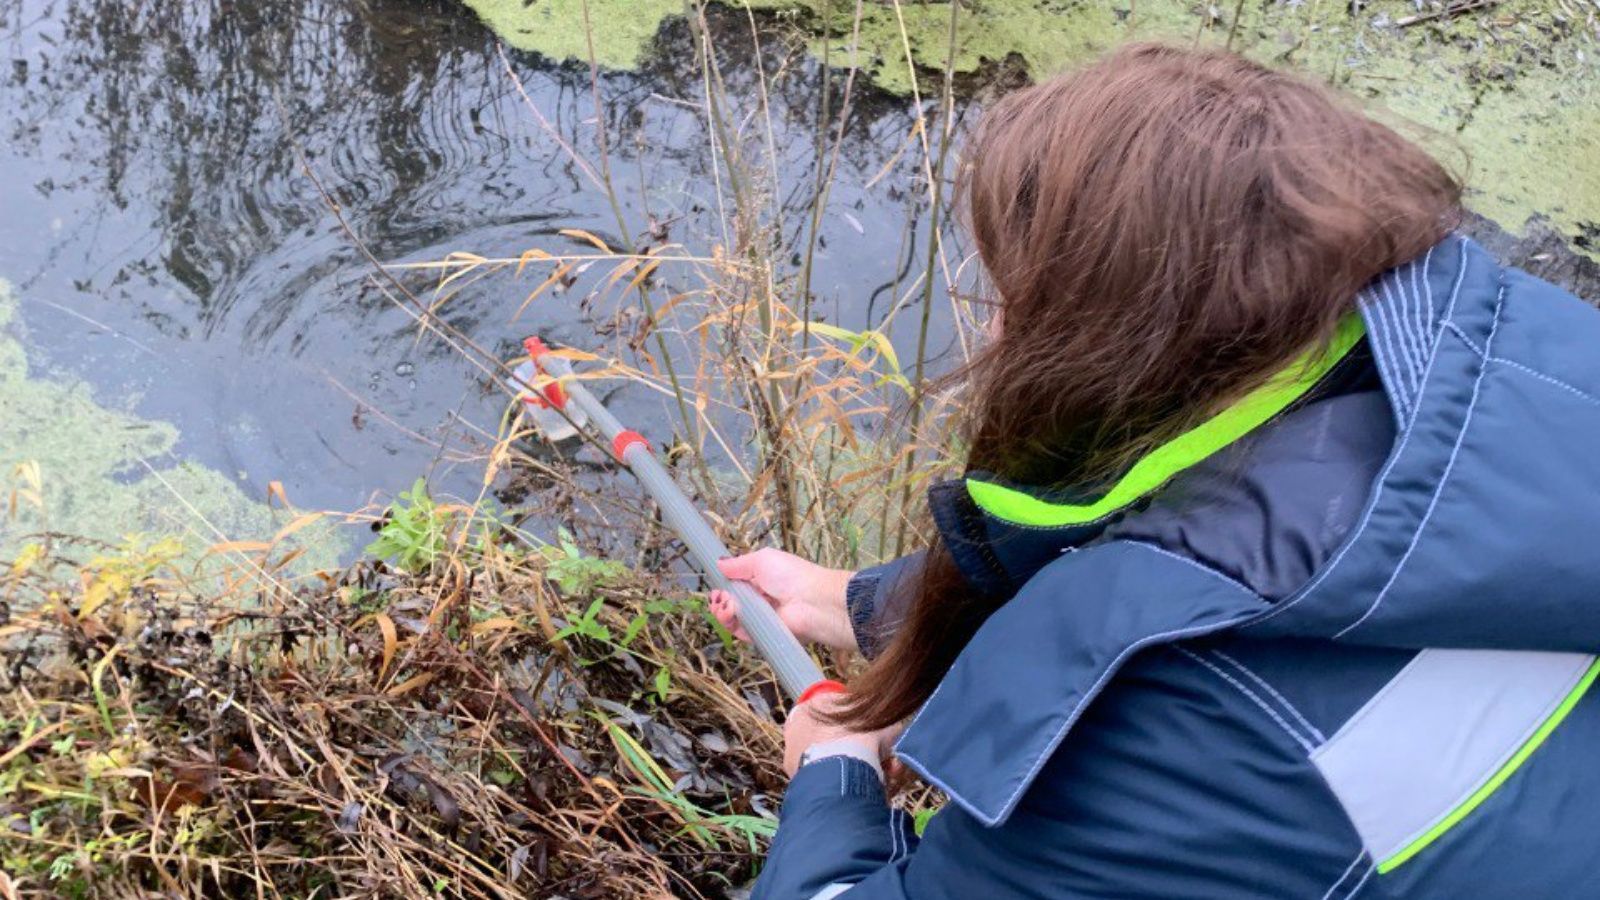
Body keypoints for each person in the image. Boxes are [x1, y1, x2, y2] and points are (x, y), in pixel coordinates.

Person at [709, 43, 1600, 899]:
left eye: (1015, 301)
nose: (991, 335)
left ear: (1112, 342)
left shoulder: (1177, 740)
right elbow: (1249, 551)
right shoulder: (1534, 381)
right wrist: (866, 605)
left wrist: (835, 776)